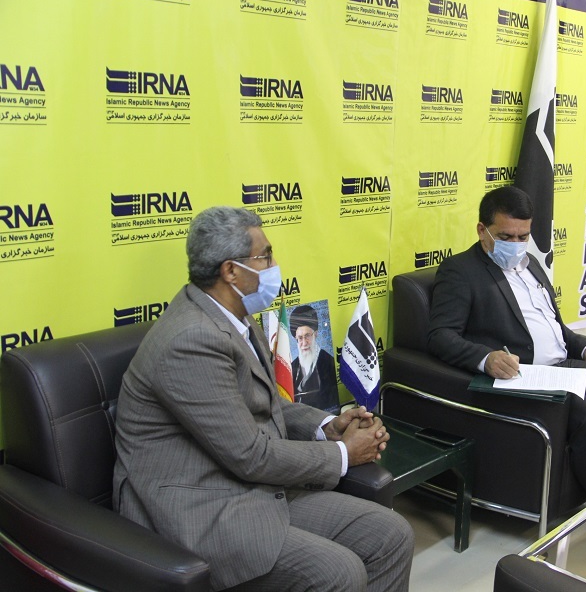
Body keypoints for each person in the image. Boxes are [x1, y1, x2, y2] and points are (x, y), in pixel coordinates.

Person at [113, 206, 414, 592]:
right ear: (231, 271)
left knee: (392, 535)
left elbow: (268, 402)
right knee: (340, 573)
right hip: (202, 509)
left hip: (251, 487)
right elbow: (250, 455)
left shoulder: (233, 315)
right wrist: (344, 454)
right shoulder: (191, 340)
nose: (274, 266)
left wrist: (326, 427)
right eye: (265, 255)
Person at [428, 186, 586, 503]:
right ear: (482, 230)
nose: (516, 245)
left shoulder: (532, 264)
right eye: (506, 237)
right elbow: (440, 335)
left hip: (562, 367)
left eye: (523, 237)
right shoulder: (461, 271)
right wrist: (485, 358)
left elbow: (555, 327)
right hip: (524, 379)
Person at [290, 304, 340, 412]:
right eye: (300, 338)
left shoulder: (328, 362)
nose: (304, 343)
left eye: (307, 336)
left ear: (316, 334)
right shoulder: (291, 367)